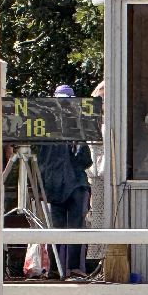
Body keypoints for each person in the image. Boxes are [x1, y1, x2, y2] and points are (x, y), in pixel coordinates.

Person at [33, 84, 93, 277]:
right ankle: (65, 269)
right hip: (70, 184)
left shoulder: (45, 127)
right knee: (71, 227)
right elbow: (85, 159)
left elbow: (39, 159)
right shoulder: (75, 125)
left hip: (61, 185)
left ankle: (56, 269)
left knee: (59, 228)